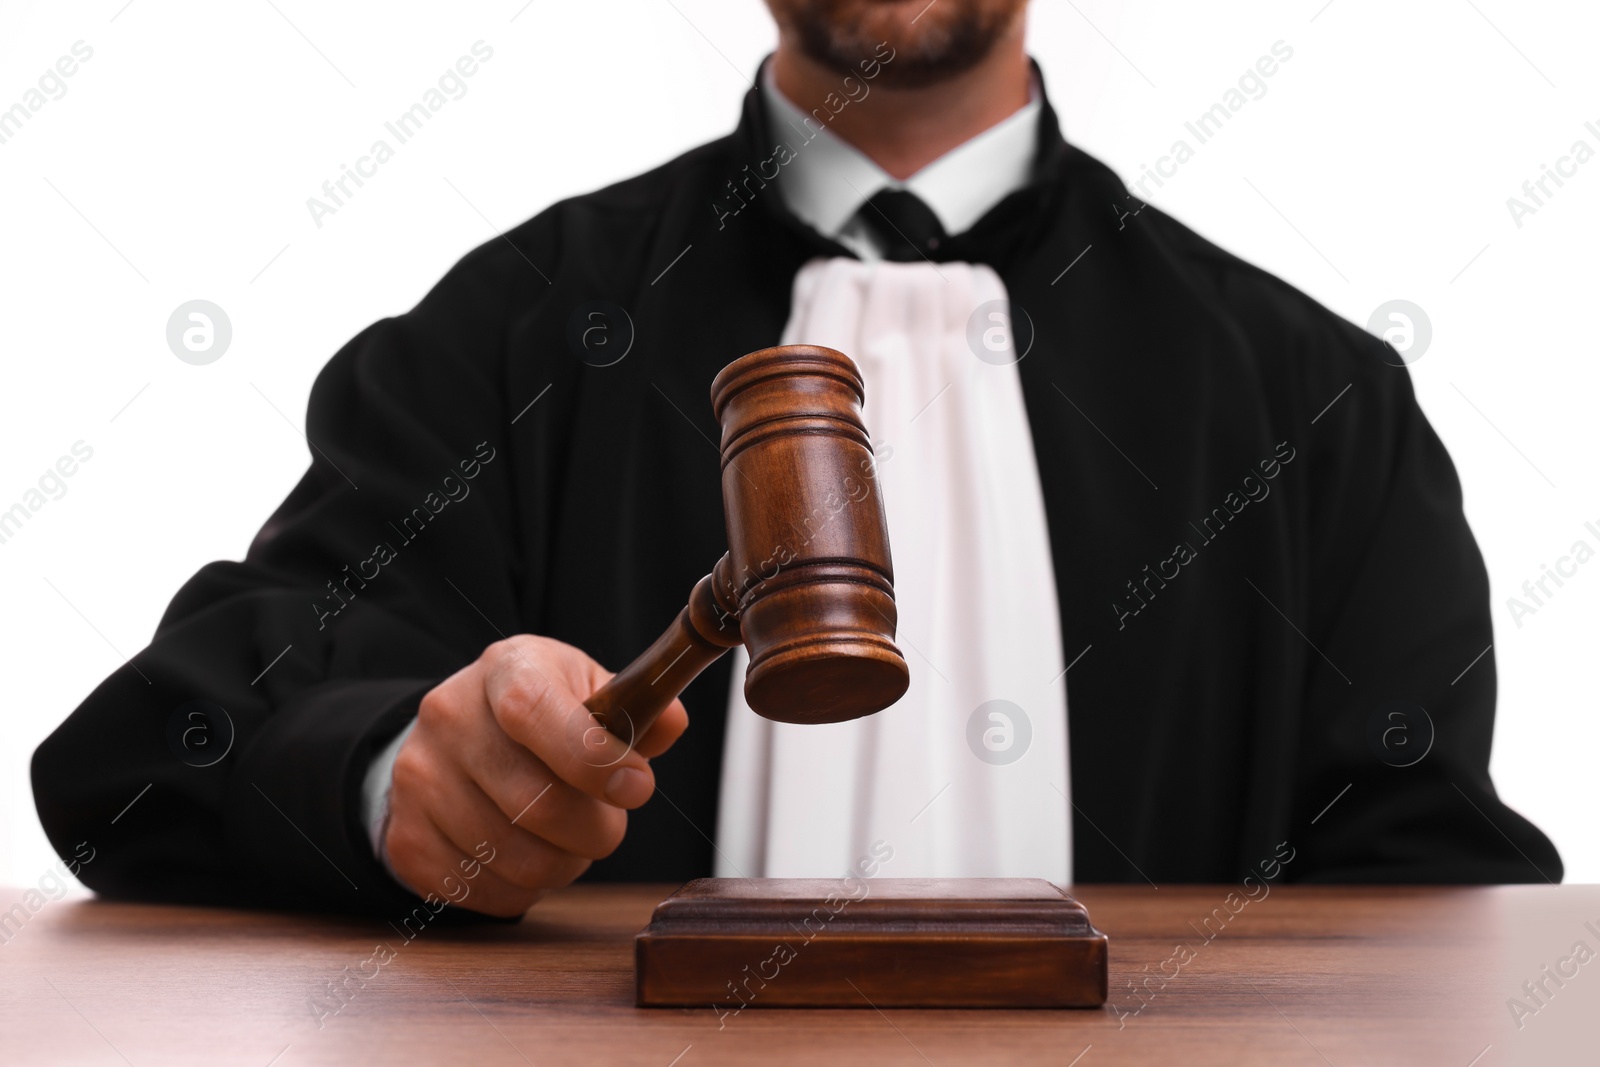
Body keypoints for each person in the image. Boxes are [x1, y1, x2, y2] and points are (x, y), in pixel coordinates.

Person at [33, 0, 1560, 920]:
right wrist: (390, 787)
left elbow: (1432, 903)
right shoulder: (508, 340)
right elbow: (140, 766)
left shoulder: (1318, 403)